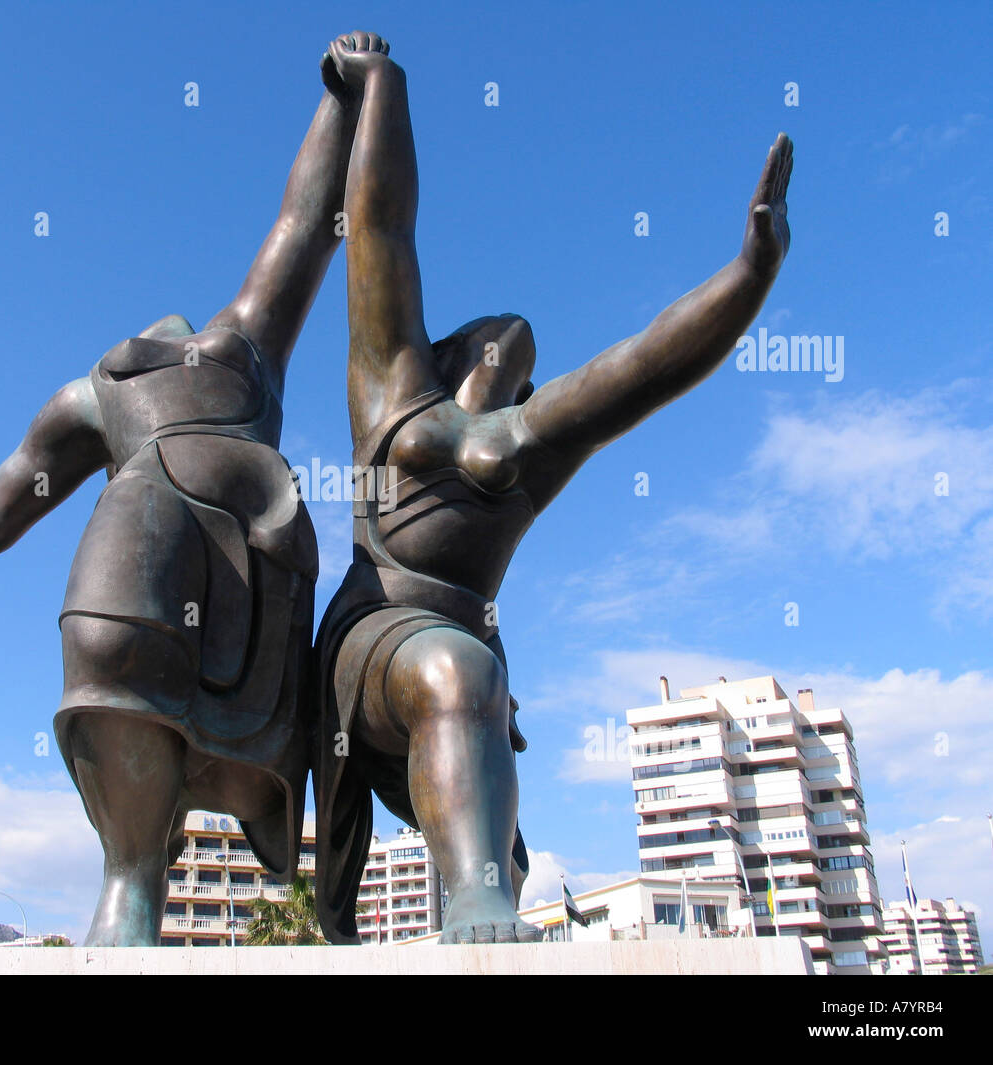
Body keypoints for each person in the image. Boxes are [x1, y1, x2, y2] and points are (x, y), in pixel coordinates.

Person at [0, 33, 391, 947]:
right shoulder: (94, 394)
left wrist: (341, 103)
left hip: (249, 546)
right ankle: (133, 876)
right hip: (144, 517)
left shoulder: (243, 338)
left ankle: (211, 873)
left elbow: (302, 227)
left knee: (228, 690)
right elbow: (4, 499)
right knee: (104, 647)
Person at [313, 39, 792, 944]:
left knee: (467, 681)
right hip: (371, 625)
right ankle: (480, 896)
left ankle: (483, 893)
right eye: (492, 340)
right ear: (452, 353)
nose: (509, 346)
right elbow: (380, 231)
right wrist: (387, 86)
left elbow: (643, 365)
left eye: (521, 356)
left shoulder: (524, 446)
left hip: (454, 637)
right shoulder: (392, 390)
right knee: (460, 672)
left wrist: (748, 276)